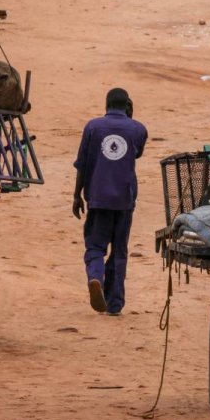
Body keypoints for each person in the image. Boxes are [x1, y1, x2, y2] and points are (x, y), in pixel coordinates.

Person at [73, 88, 147, 316]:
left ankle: (95, 277)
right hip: (125, 199)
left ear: (106, 105)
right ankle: (115, 303)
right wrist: (130, 117)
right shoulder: (138, 129)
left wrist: (77, 195)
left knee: (95, 246)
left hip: (97, 197)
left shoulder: (93, 127)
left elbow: (82, 165)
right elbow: (135, 154)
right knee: (119, 251)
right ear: (127, 105)